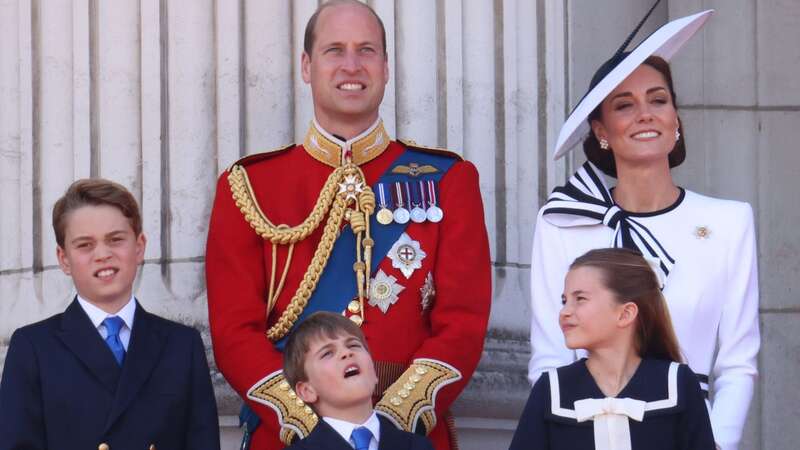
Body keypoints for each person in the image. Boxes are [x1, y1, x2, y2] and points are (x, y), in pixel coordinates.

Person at [205, 1, 491, 449]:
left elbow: (463, 323)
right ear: (307, 66)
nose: (351, 65)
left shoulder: (448, 180)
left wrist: (390, 424)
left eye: (367, 50)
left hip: (408, 434)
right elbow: (233, 332)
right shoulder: (250, 186)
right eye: (334, 50)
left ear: (386, 66)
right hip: (291, 436)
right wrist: (310, 425)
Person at [528, 5, 759, 450]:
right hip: (586, 430)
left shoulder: (729, 222)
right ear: (601, 130)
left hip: (691, 432)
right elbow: (551, 358)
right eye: (624, 105)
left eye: (658, 99)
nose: (645, 114)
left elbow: (737, 364)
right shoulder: (563, 221)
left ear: (676, 119)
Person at [0, 179, 220, 450]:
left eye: (115, 240)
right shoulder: (33, 347)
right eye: (85, 245)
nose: (102, 254)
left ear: (139, 246)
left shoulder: (182, 345)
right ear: (63, 258)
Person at [512, 248, 715, 450]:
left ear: (625, 314)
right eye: (564, 301)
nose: (564, 312)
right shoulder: (552, 388)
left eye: (580, 299)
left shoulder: (677, 384)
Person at [282, 311, 434, 450]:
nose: (346, 353)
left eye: (353, 345)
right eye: (327, 353)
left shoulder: (418, 446)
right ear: (307, 391)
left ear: (374, 373)